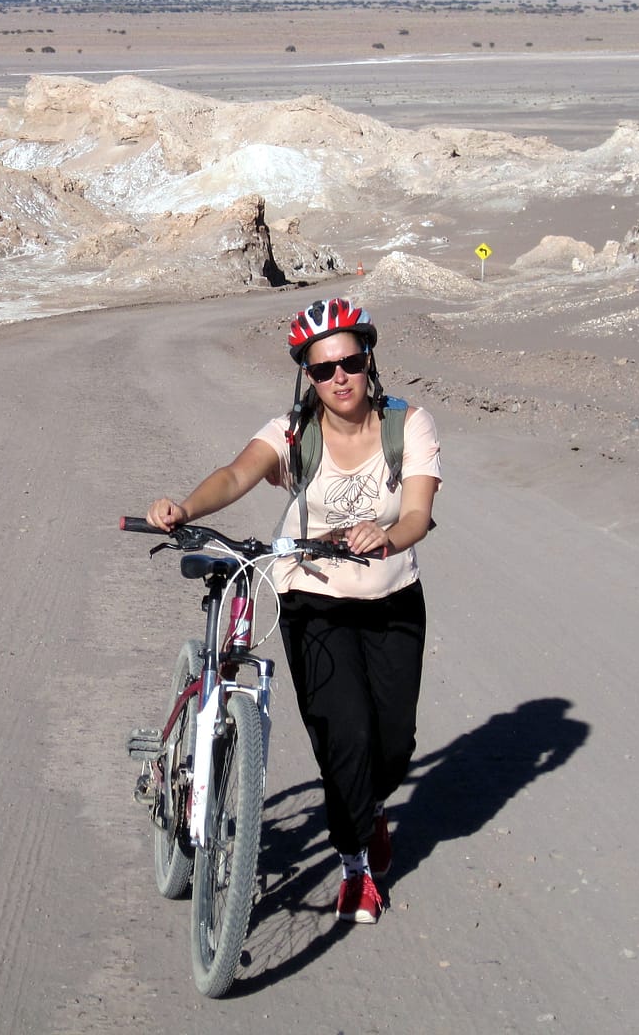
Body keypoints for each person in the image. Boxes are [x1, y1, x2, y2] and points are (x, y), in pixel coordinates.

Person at [146, 297, 441, 924]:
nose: (339, 378)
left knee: (393, 746)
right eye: (322, 369)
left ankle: (371, 806)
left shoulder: (407, 425)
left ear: (368, 361)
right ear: (306, 375)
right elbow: (235, 474)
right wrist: (186, 509)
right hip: (310, 597)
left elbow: (417, 512)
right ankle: (355, 865)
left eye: (350, 363)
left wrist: (388, 535)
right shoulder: (291, 431)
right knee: (345, 734)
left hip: (392, 598)